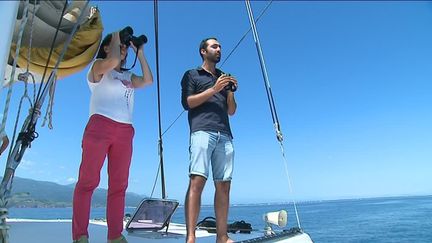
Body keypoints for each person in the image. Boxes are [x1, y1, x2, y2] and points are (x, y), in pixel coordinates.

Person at [72, 30, 153, 243]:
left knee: (119, 186)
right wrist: (117, 34)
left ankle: (115, 235)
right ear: (108, 47)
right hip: (100, 125)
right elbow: (113, 60)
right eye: (120, 45)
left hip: (125, 131)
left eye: (126, 47)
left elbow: (148, 80)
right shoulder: (98, 67)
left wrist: (140, 52)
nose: (124, 49)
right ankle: (80, 235)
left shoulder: (127, 76)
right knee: (87, 181)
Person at [181, 37, 238, 243]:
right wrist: (214, 89)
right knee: (197, 181)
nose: (219, 49)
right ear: (203, 52)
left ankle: (222, 236)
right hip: (201, 132)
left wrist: (229, 92)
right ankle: (191, 237)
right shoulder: (192, 75)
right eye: (214, 46)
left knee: (224, 185)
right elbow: (188, 103)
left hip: (225, 134)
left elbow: (231, 111)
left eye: (220, 46)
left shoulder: (224, 77)